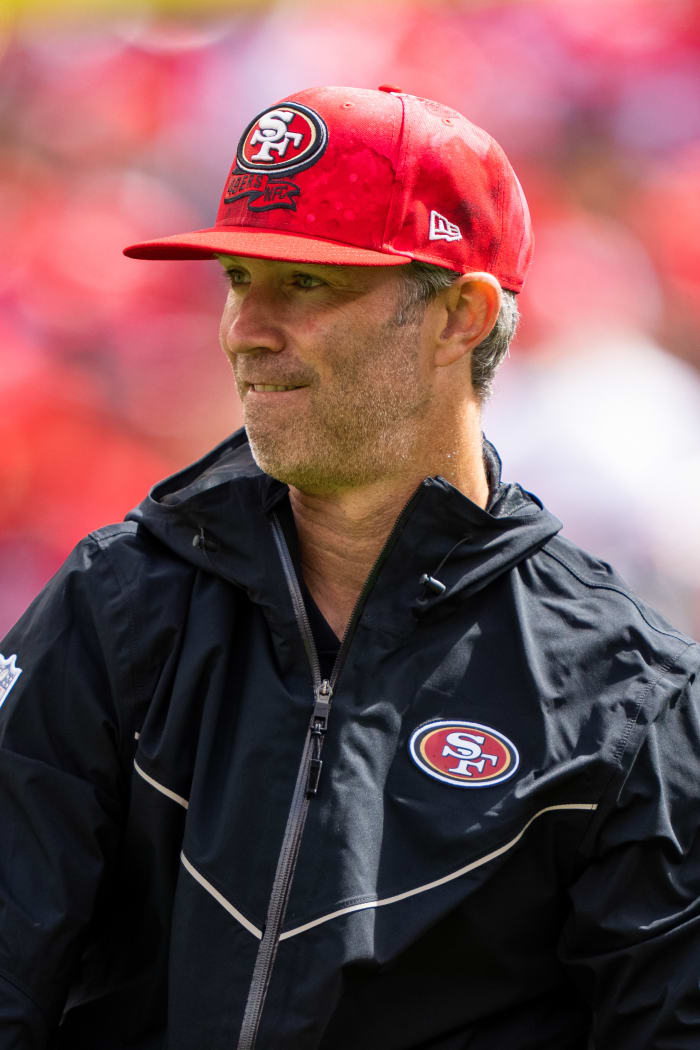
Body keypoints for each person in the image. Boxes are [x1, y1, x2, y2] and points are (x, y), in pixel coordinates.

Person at [1, 85, 699, 1050]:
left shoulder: (626, 693)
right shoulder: (115, 602)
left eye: (308, 284)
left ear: (461, 314)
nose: (245, 328)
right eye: (241, 279)